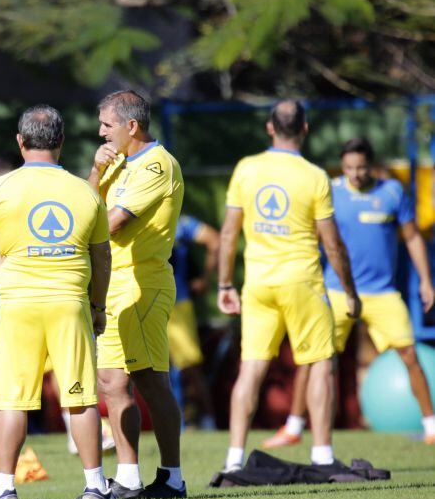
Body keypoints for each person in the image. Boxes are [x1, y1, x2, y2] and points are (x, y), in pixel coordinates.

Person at [0, 105, 113, 499]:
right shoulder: (85, 191)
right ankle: (95, 485)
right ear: (62, 142)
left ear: (20, 143)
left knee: (11, 400)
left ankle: (3, 488)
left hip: (18, 303)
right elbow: (102, 255)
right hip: (70, 301)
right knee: (80, 397)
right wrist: (98, 305)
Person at [217, 100, 360, 471]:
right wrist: (349, 291)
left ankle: (234, 460)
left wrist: (225, 284)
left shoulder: (247, 169)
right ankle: (322, 456)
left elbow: (229, 232)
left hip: (258, 284)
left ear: (269, 128)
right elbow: (332, 242)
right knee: (320, 362)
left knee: (250, 369)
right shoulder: (314, 176)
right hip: (302, 283)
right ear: (305, 129)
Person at [264, 138, 435, 447]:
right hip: (337, 292)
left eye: (361, 167)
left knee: (409, 354)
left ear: (373, 165)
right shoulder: (330, 191)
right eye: (349, 168)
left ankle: (431, 425)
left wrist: (425, 280)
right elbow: (311, 237)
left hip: (382, 293)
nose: (356, 174)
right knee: (315, 360)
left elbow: (412, 239)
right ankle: (293, 427)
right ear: (342, 167)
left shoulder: (392, 192)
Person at [88, 90, 187, 499]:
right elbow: (85, 205)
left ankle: (172, 477)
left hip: (144, 284)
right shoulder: (116, 163)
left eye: (107, 125)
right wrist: (95, 171)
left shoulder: (157, 166)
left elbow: (110, 223)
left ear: (132, 126)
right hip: (114, 283)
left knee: (150, 380)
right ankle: (128, 477)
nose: (100, 133)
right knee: (111, 381)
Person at [168, 215, 219, 429]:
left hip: (177, 304)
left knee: (189, 367)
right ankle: (175, 424)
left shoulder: (179, 222)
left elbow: (214, 240)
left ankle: (208, 421)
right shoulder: (131, 213)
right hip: (141, 301)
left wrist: (206, 279)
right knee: (158, 370)